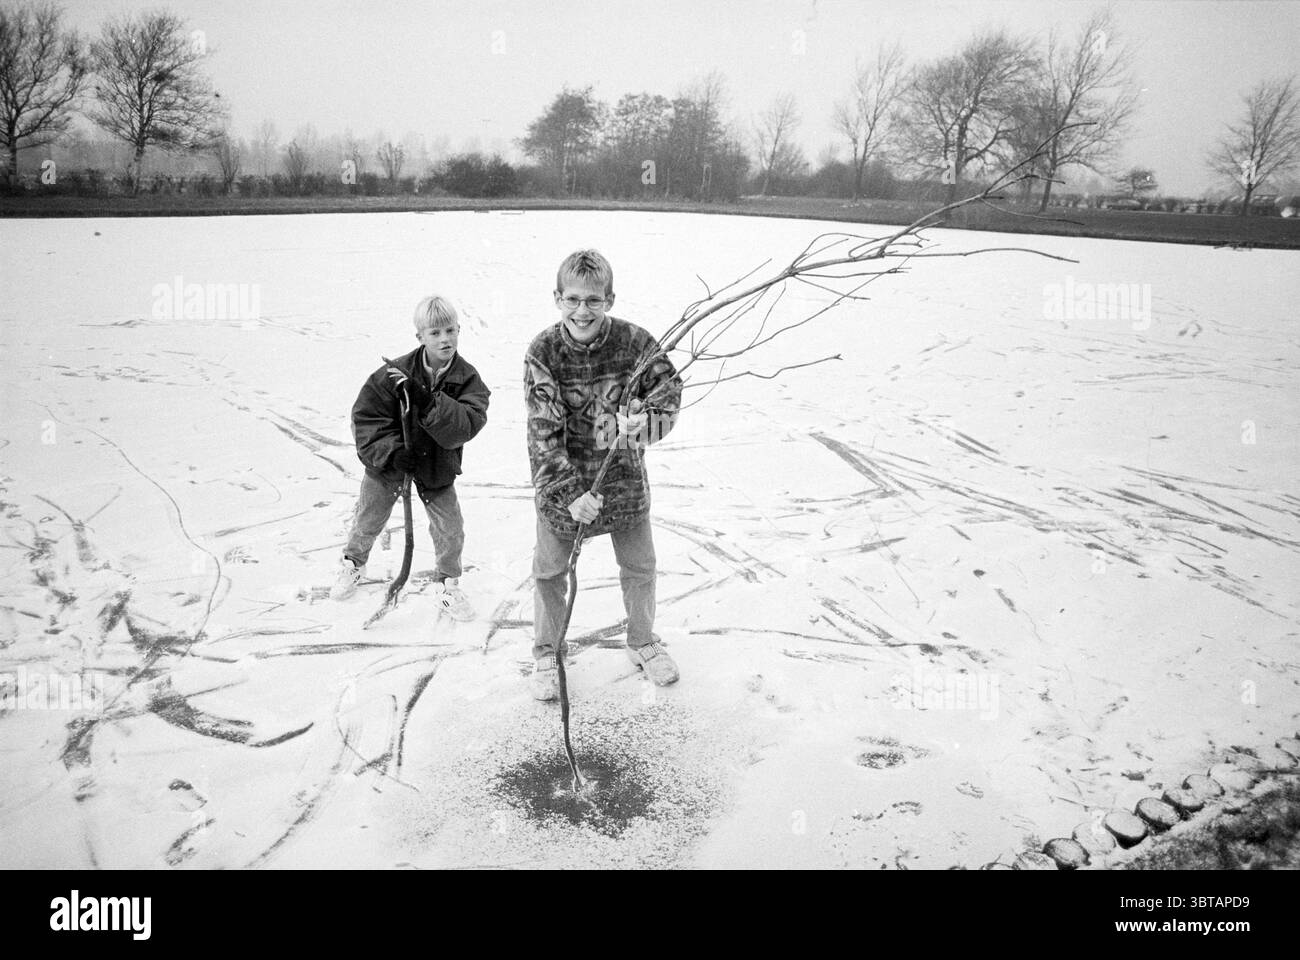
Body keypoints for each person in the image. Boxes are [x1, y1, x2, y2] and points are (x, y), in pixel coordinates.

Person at [524, 249, 682, 701]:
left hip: (623, 481)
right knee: (551, 571)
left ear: (610, 299)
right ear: (557, 298)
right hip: (566, 485)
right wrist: (569, 493)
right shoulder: (544, 351)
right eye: (572, 299)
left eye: (593, 300)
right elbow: (542, 432)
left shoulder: (636, 343)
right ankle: (547, 653)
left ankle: (643, 642)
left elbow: (668, 395)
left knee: (640, 566)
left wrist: (645, 422)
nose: (582, 310)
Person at [332, 295, 490, 620]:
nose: (444, 339)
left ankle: (447, 583)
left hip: (435, 465)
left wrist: (431, 403)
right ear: (420, 336)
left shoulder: (468, 379)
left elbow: (466, 424)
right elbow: (367, 418)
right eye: (435, 333)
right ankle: (353, 563)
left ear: (459, 330)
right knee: (369, 516)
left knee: (450, 528)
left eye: (450, 330)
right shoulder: (394, 374)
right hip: (392, 464)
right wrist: (391, 451)